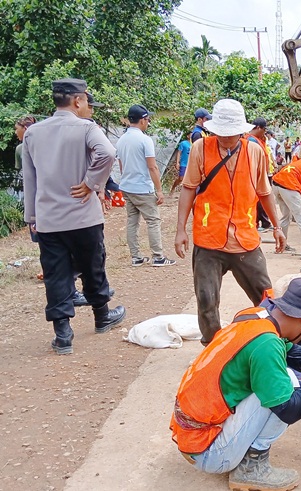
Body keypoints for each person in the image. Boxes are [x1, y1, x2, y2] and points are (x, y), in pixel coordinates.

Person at [170, 278, 301, 491]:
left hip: (192, 435)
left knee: (279, 380)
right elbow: (290, 410)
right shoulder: (268, 345)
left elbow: (296, 355)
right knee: (287, 386)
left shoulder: (256, 317)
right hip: (208, 452)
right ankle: (250, 469)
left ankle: (242, 456)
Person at [21, 78, 126, 355]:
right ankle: (102, 316)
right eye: (88, 103)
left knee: (56, 273)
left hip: (48, 219)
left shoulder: (33, 133)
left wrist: (31, 215)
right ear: (78, 100)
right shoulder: (86, 128)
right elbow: (108, 152)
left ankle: (63, 334)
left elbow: (29, 177)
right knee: (93, 266)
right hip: (82, 217)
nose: (89, 109)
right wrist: (92, 183)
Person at [174, 98, 286, 345]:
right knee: (206, 299)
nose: (225, 138)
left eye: (231, 134)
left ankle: (274, 343)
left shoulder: (255, 151)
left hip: (245, 239)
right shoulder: (200, 149)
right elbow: (189, 188)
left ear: (242, 131)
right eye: (220, 133)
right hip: (209, 238)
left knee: (265, 297)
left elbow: (264, 192)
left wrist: (277, 227)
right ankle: (213, 348)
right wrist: (180, 229)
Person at [117, 104, 176, 267]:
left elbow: (121, 165)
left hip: (127, 186)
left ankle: (136, 256)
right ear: (142, 120)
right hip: (142, 187)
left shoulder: (122, 140)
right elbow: (152, 166)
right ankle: (158, 256)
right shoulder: (145, 140)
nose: (148, 122)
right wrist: (159, 190)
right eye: (148, 119)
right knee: (153, 220)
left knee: (132, 221)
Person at [248, 118, 275, 232]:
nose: (265, 132)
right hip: (255, 175)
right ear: (258, 127)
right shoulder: (251, 141)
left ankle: (262, 222)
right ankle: (260, 222)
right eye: (264, 129)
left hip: (261, 173)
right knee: (260, 198)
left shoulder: (257, 140)